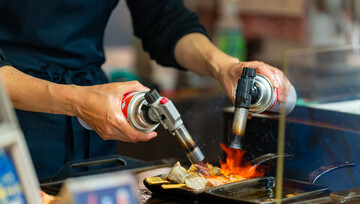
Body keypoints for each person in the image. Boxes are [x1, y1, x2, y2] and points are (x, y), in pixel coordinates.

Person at [0, 0, 291, 179]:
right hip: (14, 120)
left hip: (91, 132)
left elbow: (164, 19)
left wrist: (223, 66)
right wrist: (76, 101)